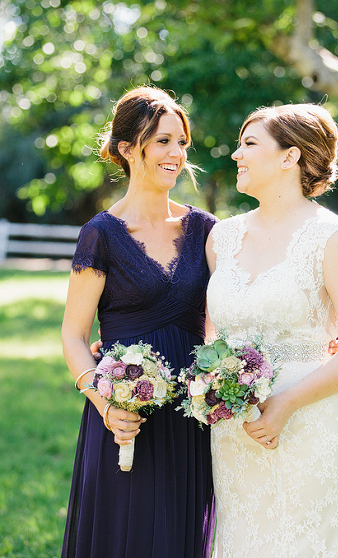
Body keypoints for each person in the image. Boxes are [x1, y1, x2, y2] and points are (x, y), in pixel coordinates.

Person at [205, 104, 338, 557]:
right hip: (234, 429)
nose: (236, 155)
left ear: (290, 157)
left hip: (307, 421)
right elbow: (212, 335)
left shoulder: (330, 237)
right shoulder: (221, 238)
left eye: (249, 144)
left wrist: (285, 403)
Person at [61, 86, 216, 557]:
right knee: (123, 531)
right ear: (128, 149)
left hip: (189, 415)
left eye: (182, 142)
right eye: (163, 141)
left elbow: (228, 317)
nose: (177, 153)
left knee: (180, 533)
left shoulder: (207, 230)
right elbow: (73, 333)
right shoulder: (101, 234)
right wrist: (105, 406)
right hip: (124, 410)